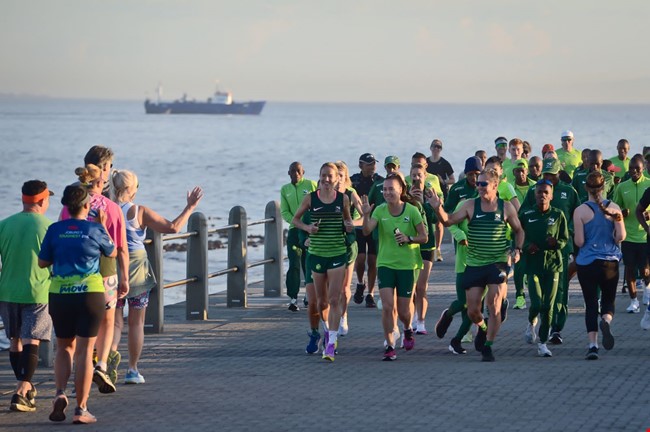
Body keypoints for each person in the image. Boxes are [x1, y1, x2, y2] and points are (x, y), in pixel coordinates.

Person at [110, 169, 203, 384]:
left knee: (114, 323)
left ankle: (107, 365)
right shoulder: (139, 211)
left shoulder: (108, 210)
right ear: (132, 189)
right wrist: (190, 207)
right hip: (137, 269)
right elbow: (173, 227)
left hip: (113, 268)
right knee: (136, 323)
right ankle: (132, 370)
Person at [39, 185, 117, 424]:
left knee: (64, 347)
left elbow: (42, 262)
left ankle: (60, 393)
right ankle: (81, 409)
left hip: (60, 295)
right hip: (89, 295)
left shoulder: (55, 229)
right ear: (87, 205)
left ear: (65, 206)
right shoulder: (95, 229)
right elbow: (112, 252)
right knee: (84, 351)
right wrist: (102, 225)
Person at [429, 168, 524, 362]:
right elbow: (448, 221)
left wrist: (518, 250)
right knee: (472, 311)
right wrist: (437, 208)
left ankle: (488, 346)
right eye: (478, 183)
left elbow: (519, 230)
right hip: (474, 263)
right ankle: (483, 327)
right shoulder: (470, 205)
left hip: (498, 263)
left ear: (495, 186)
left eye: (483, 184)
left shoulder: (506, 207)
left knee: (494, 306)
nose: (479, 187)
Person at [60, 163, 127, 394]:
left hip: (74, 271)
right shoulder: (112, 207)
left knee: (78, 325)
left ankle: (80, 374)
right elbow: (120, 247)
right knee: (108, 320)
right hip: (105, 270)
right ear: (101, 182)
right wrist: (125, 277)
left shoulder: (70, 206)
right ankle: (101, 365)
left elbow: (60, 232)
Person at [361, 173, 428, 361]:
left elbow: (424, 237)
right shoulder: (380, 210)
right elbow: (366, 230)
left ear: (401, 190)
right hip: (385, 264)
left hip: (407, 265)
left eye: (391, 189)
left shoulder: (412, 211)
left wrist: (409, 238)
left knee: (404, 310)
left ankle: (407, 328)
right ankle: (390, 345)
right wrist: (365, 215)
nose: (387, 192)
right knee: (387, 306)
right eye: (385, 189)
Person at [0, 180, 53, 412]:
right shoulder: (49, 227)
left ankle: (25, 387)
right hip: (38, 291)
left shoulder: (4, 225)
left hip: (7, 290)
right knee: (32, 339)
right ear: (41, 201)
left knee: (15, 340)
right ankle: (21, 392)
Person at [292, 163, 353, 362]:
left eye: (330, 176)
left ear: (337, 179)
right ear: (319, 177)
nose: (326, 179)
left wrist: (350, 227)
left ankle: (331, 343)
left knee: (334, 300)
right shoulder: (311, 198)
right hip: (317, 255)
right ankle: (325, 331)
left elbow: (348, 223)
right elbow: (295, 220)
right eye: (323, 176)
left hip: (337, 254)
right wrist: (308, 228)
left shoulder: (343, 199)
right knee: (321, 302)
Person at [523, 158, 579, 345]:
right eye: (545, 174)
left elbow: (577, 215)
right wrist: (526, 243)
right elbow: (522, 217)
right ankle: (536, 321)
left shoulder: (569, 191)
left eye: (552, 175)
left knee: (560, 289)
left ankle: (556, 328)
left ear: (559, 174)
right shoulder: (535, 190)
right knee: (539, 296)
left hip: (560, 249)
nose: (548, 178)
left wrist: (567, 232)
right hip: (536, 252)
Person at [573, 171, 625, 360]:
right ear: (604, 188)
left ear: (585, 188)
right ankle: (606, 320)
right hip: (609, 262)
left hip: (587, 263)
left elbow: (579, 241)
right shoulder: (615, 208)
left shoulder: (580, 211)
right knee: (608, 300)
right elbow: (621, 236)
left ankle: (593, 345)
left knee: (590, 303)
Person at [519, 180, 569, 357]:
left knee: (548, 305)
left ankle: (542, 343)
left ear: (552, 195)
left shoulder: (558, 214)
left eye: (546, 192)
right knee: (537, 303)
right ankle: (531, 321)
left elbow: (565, 239)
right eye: (539, 192)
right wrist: (527, 246)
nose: (543, 195)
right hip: (533, 266)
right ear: (535, 194)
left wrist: (556, 243)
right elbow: (518, 236)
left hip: (553, 265)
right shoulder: (526, 214)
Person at [612, 155, 650, 313]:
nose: (634, 171)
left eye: (637, 168)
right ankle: (634, 301)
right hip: (628, 235)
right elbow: (614, 209)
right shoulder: (622, 187)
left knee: (646, 270)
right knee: (629, 268)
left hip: (645, 235)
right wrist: (621, 213)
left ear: (643, 168)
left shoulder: (649, 184)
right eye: (631, 168)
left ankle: (647, 293)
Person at [280, 162, 317, 311]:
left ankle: (309, 294)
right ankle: (293, 298)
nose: (296, 173)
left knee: (308, 263)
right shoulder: (285, 189)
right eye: (293, 171)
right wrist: (297, 222)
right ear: (288, 173)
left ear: (303, 172)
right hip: (294, 230)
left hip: (310, 230)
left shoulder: (311, 185)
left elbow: (318, 204)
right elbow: (284, 212)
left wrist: (309, 225)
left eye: (298, 171)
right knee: (294, 263)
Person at [334, 161, 363, 336]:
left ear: (346, 177)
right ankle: (332, 317)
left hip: (348, 242)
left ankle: (343, 316)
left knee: (344, 286)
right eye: (335, 175)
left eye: (341, 176)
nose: (338, 179)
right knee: (332, 287)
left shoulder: (351, 194)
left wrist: (353, 223)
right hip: (330, 242)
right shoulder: (325, 194)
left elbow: (364, 217)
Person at [350, 153, 382, 308]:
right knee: (361, 258)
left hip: (375, 223)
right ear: (360, 165)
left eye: (374, 163)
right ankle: (360, 282)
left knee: (373, 260)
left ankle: (371, 293)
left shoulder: (379, 180)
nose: (372, 166)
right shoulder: (353, 180)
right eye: (369, 164)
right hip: (359, 224)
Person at [408, 164, 437, 334]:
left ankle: (421, 321)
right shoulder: (406, 195)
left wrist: (423, 204)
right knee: (410, 287)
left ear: (425, 176)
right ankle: (411, 318)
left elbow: (434, 219)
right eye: (414, 175)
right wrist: (411, 201)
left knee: (421, 286)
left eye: (419, 175)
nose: (416, 178)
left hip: (427, 245)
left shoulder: (429, 194)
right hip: (411, 246)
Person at [512, 159, 535, 310]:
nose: (520, 173)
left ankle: (536, 295)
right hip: (516, 229)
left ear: (527, 171)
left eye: (523, 170)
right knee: (518, 265)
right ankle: (520, 296)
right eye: (517, 171)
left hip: (533, 228)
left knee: (533, 264)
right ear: (513, 172)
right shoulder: (510, 188)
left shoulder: (536, 186)